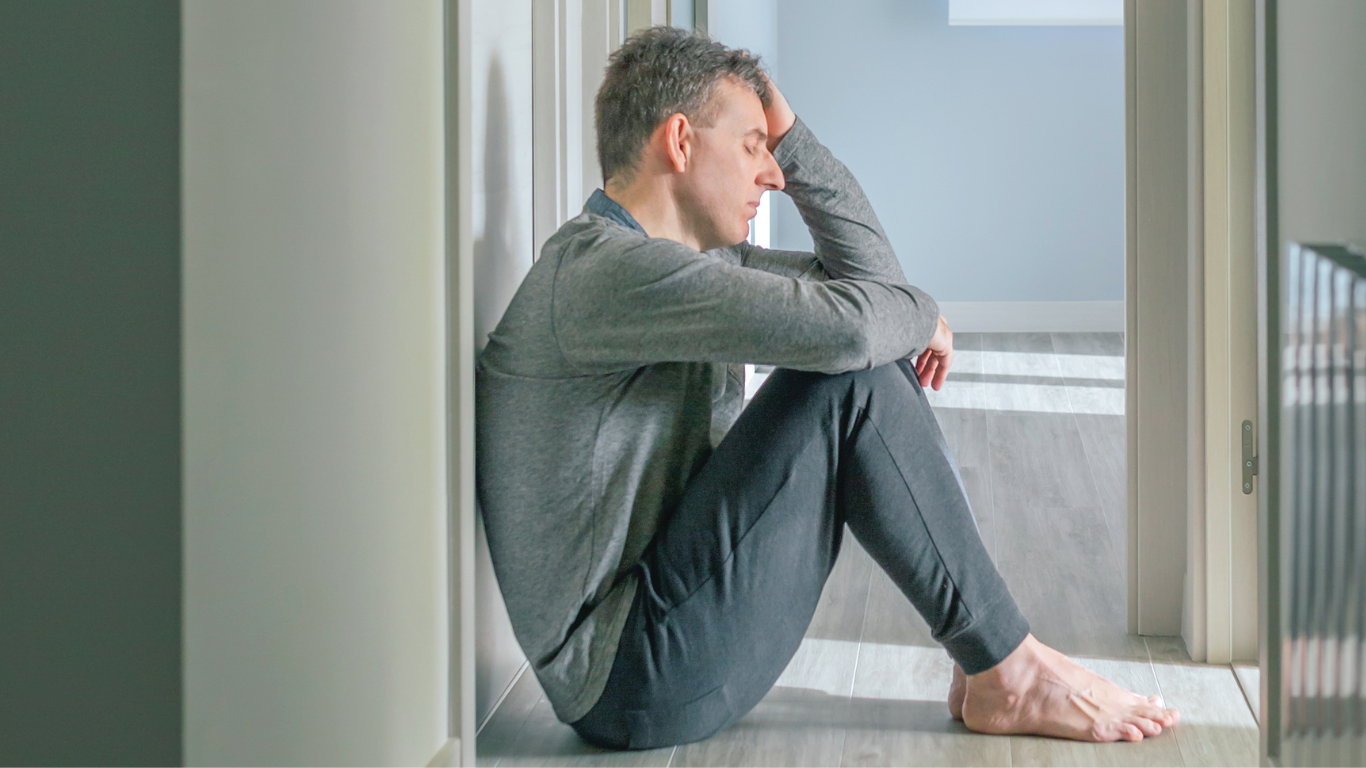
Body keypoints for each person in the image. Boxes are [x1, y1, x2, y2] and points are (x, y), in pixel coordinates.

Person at [476, 26, 1179, 750]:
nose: (775, 174)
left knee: (861, 357)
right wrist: (920, 315)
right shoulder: (608, 275)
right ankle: (1007, 665)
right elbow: (855, 332)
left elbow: (871, 292)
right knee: (850, 379)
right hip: (630, 680)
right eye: (755, 145)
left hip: (666, 637)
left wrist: (790, 131)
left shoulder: (688, 268)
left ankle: (995, 658)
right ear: (680, 143)